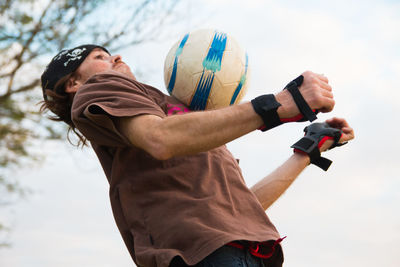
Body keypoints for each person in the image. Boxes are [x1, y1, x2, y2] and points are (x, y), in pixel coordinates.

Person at [40, 44, 354, 267]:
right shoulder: (98, 89)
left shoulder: (182, 115)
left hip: (249, 253)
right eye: (99, 57)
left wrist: (308, 150)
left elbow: (243, 206)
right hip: (201, 257)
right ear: (74, 84)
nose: (115, 57)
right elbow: (159, 138)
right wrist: (280, 104)